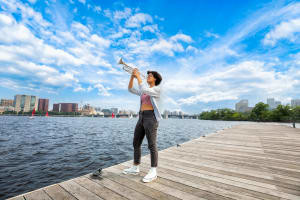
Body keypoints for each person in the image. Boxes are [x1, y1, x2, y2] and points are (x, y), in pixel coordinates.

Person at [122, 68, 162, 183]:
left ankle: (153, 170)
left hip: (151, 118)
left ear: (155, 78)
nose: (148, 76)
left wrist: (138, 77)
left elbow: (143, 87)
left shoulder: (157, 89)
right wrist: (132, 76)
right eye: (147, 74)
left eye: (150, 75)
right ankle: (135, 167)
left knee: (152, 144)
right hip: (141, 116)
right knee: (136, 142)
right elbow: (130, 89)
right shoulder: (144, 91)